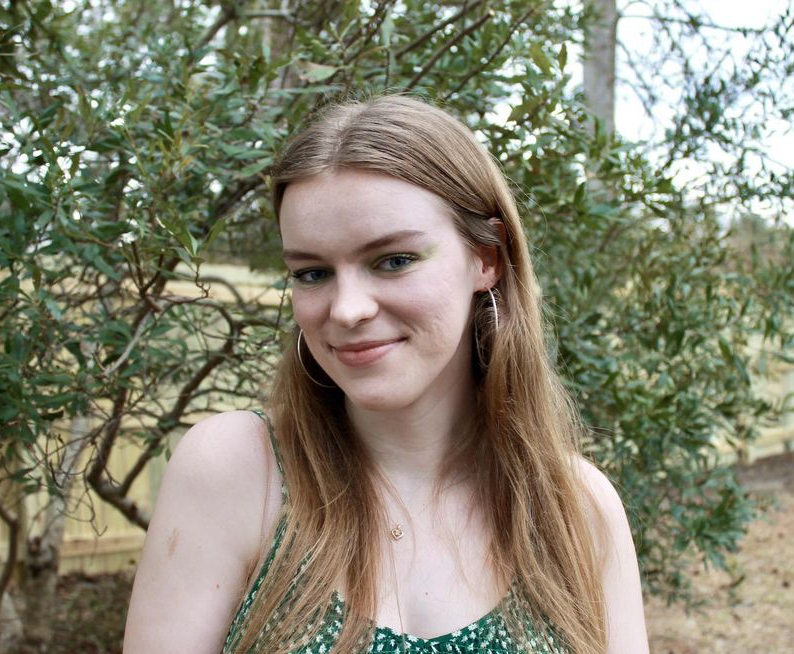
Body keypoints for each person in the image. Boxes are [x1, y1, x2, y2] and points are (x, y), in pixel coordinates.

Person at [123, 95, 648, 654]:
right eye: (312, 272)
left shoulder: (576, 509)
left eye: (394, 260)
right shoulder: (238, 471)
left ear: (486, 258)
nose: (347, 309)